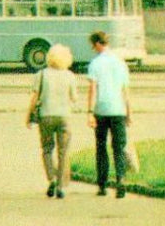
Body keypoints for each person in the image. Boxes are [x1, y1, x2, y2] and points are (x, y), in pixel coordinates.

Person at [28, 43, 81, 198]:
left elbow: (34, 98)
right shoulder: (70, 76)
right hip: (64, 117)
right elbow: (74, 98)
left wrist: (28, 116)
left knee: (46, 149)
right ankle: (61, 186)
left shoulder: (41, 74)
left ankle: (51, 179)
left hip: (46, 116)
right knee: (63, 152)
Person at [86, 31, 133, 198]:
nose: (93, 48)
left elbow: (92, 89)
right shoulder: (121, 63)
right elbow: (125, 90)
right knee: (118, 148)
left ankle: (102, 184)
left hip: (101, 110)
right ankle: (120, 179)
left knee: (101, 147)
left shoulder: (95, 63)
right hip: (119, 109)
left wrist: (90, 112)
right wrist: (129, 111)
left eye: (93, 45)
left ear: (98, 44)